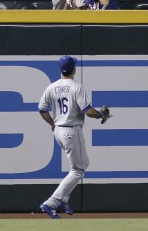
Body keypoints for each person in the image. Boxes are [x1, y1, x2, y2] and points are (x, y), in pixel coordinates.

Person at [38, 55, 110, 219]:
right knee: (78, 170)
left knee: (82, 164)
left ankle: (64, 199)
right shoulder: (77, 87)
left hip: (59, 131)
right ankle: (51, 202)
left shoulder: (52, 87)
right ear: (74, 69)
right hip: (71, 130)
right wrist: (101, 115)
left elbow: (42, 109)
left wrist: (52, 124)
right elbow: (88, 111)